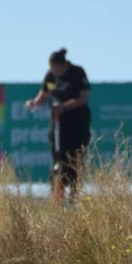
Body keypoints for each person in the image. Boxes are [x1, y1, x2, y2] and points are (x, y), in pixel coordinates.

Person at [25, 48, 92, 206]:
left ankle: (75, 197)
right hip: (58, 122)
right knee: (58, 160)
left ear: (63, 65)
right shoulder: (50, 76)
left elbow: (84, 98)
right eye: (51, 68)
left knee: (75, 159)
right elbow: (43, 95)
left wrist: (64, 106)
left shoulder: (77, 73)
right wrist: (33, 103)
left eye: (56, 68)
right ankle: (58, 199)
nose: (54, 71)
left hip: (77, 122)